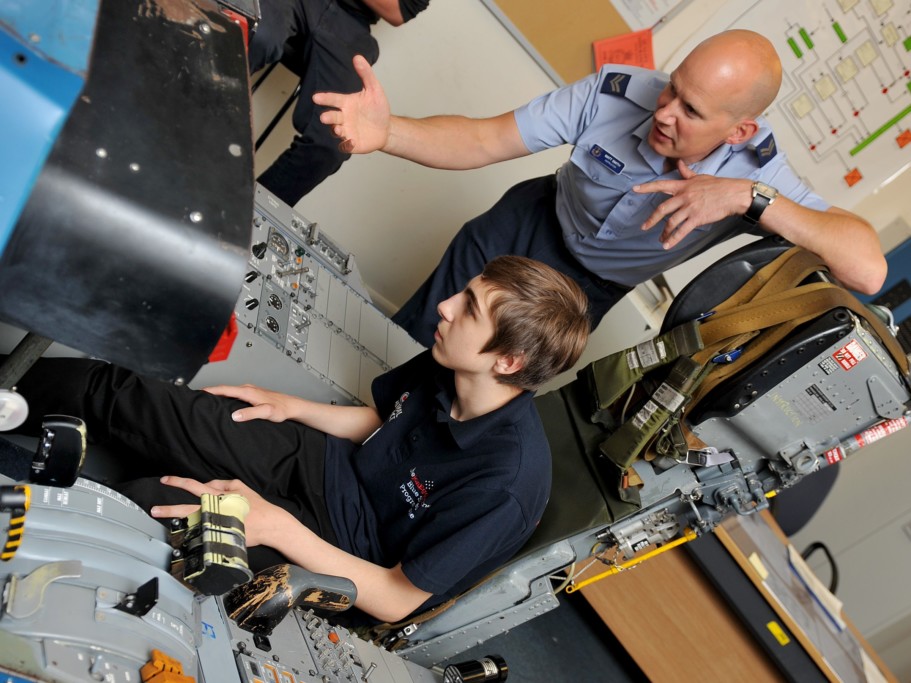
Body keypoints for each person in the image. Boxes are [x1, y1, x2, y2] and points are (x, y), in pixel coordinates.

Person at [9, 256, 589, 624]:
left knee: (143, 506)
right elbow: (385, 421)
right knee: (126, 393)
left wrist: (274, 526)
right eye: (463, 293)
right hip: (322, 466)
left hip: (343, 557)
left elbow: (393, 600)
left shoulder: (506, 486)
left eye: (469, 310)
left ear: (507, 361)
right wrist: (290, 407)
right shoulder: (453, 359)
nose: (444, 306)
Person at [312, 29, 887, 347]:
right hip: (528, 224)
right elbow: (484, 140)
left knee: (472, 392)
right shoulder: (618, 92)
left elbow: (867, 270)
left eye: (691, 110)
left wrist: (746, 199)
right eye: (673, 89)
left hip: (585, 291)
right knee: (402, 344)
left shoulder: (759, 172)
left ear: (739, 130)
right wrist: (387, 133)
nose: (665, 112)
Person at [250, 0, 430, 206]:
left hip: (350, 24)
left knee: (335, 140)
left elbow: (400, 11)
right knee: (257, 34)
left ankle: (249, 214)